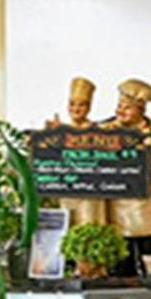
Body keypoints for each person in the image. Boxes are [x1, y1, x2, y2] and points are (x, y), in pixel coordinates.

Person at [107, 78, 151, 269]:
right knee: (118, 262)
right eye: (119, 106)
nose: (120, 111)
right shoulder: (106, 130)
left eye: (127, 108)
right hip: (115, 207)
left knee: (145, 260)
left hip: (144, 208)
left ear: (140, 110)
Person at [49, 76, 107, 229]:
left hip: (90, 193)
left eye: (81, 105)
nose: (76, 109)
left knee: (90, 227)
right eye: (72, 104)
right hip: (67, 191)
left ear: (89, 107)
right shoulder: (61, 130)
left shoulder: (100, 131)